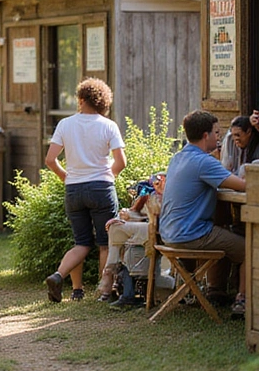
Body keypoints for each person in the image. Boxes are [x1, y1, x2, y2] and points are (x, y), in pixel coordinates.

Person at [43, 78, 126, 303]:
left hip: (74, 189)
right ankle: (104, 292)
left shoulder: (65, 124)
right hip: (101, 189)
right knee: (105, 244)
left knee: (81, 242)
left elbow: (50, 160)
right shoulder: (108, 125)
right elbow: (121, 162)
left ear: (81, 100)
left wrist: (66, 177)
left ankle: (63, 279)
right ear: (103, 102)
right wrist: (107, 176)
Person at [159, 110, 247, 317]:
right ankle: (242, 301)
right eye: (216, 133)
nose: (219, 137)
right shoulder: (204, 162)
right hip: (190, 235)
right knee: (248, 249)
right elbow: (242, 185)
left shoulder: (178, 158)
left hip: (168, 234)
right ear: (206, 135)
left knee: (224, 234)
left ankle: (215, 290)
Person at [102, 172, 165, 306]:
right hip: (150, 230)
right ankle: (113, 277)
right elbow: (138, 213)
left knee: (118, 231)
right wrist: (122, 216)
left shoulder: (164, 196)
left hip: (159, 233)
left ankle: (109, 278)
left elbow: (156, 218)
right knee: (117, 229)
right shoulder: (149, 194)